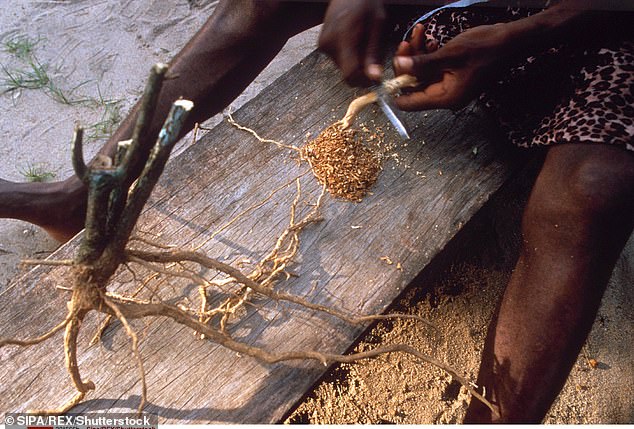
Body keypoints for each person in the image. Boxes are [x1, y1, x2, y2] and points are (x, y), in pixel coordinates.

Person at [0, 0, 632, 423]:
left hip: (594, 29)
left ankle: (493, 415)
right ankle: (89, 197)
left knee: (596, 188)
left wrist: (536, 31)